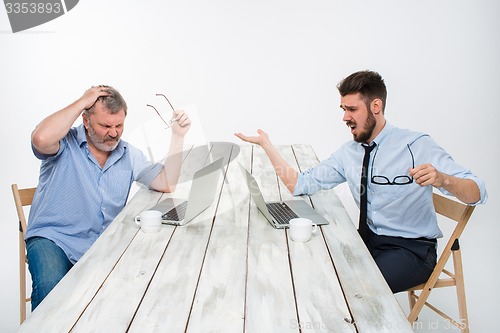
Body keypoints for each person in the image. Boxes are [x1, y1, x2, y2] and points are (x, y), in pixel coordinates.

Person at [235, 70, 487, 293]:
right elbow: (300, 184)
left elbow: (477, 192)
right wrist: (267, 146)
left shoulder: (416, 145)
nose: (345, 117)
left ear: (375, 106)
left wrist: (444, 179)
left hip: (411, 251)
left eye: (352, 109)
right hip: (367, 242)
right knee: (312, 270)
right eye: (343, 109)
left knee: (354, 288)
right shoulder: (349, 153)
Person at [25, 85, 191, 310]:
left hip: (98, 245)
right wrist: (83, 100)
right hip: (53, 239)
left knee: (139, 289)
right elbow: (41, 138)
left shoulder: (128, 154)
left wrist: (177, 136)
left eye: (118, 125)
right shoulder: (64, 142)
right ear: (85, 120)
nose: (113, 133)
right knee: (51, 291)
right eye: (105, 125)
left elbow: (166, 182)